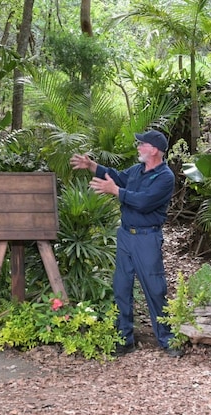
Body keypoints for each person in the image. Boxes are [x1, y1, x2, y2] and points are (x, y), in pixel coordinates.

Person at [70, 129, 182, 358]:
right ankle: (124, 339)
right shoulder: (137, 170)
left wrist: (115, 191)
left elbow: (143, 202)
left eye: (142, 144)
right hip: (125, 237)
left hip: (146, 239)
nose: (138, 147)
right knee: (121, 287)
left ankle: (167, 339)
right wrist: (92, 166)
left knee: (155, 289)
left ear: (154, 150)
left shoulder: (165, 177)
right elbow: (118, 177)